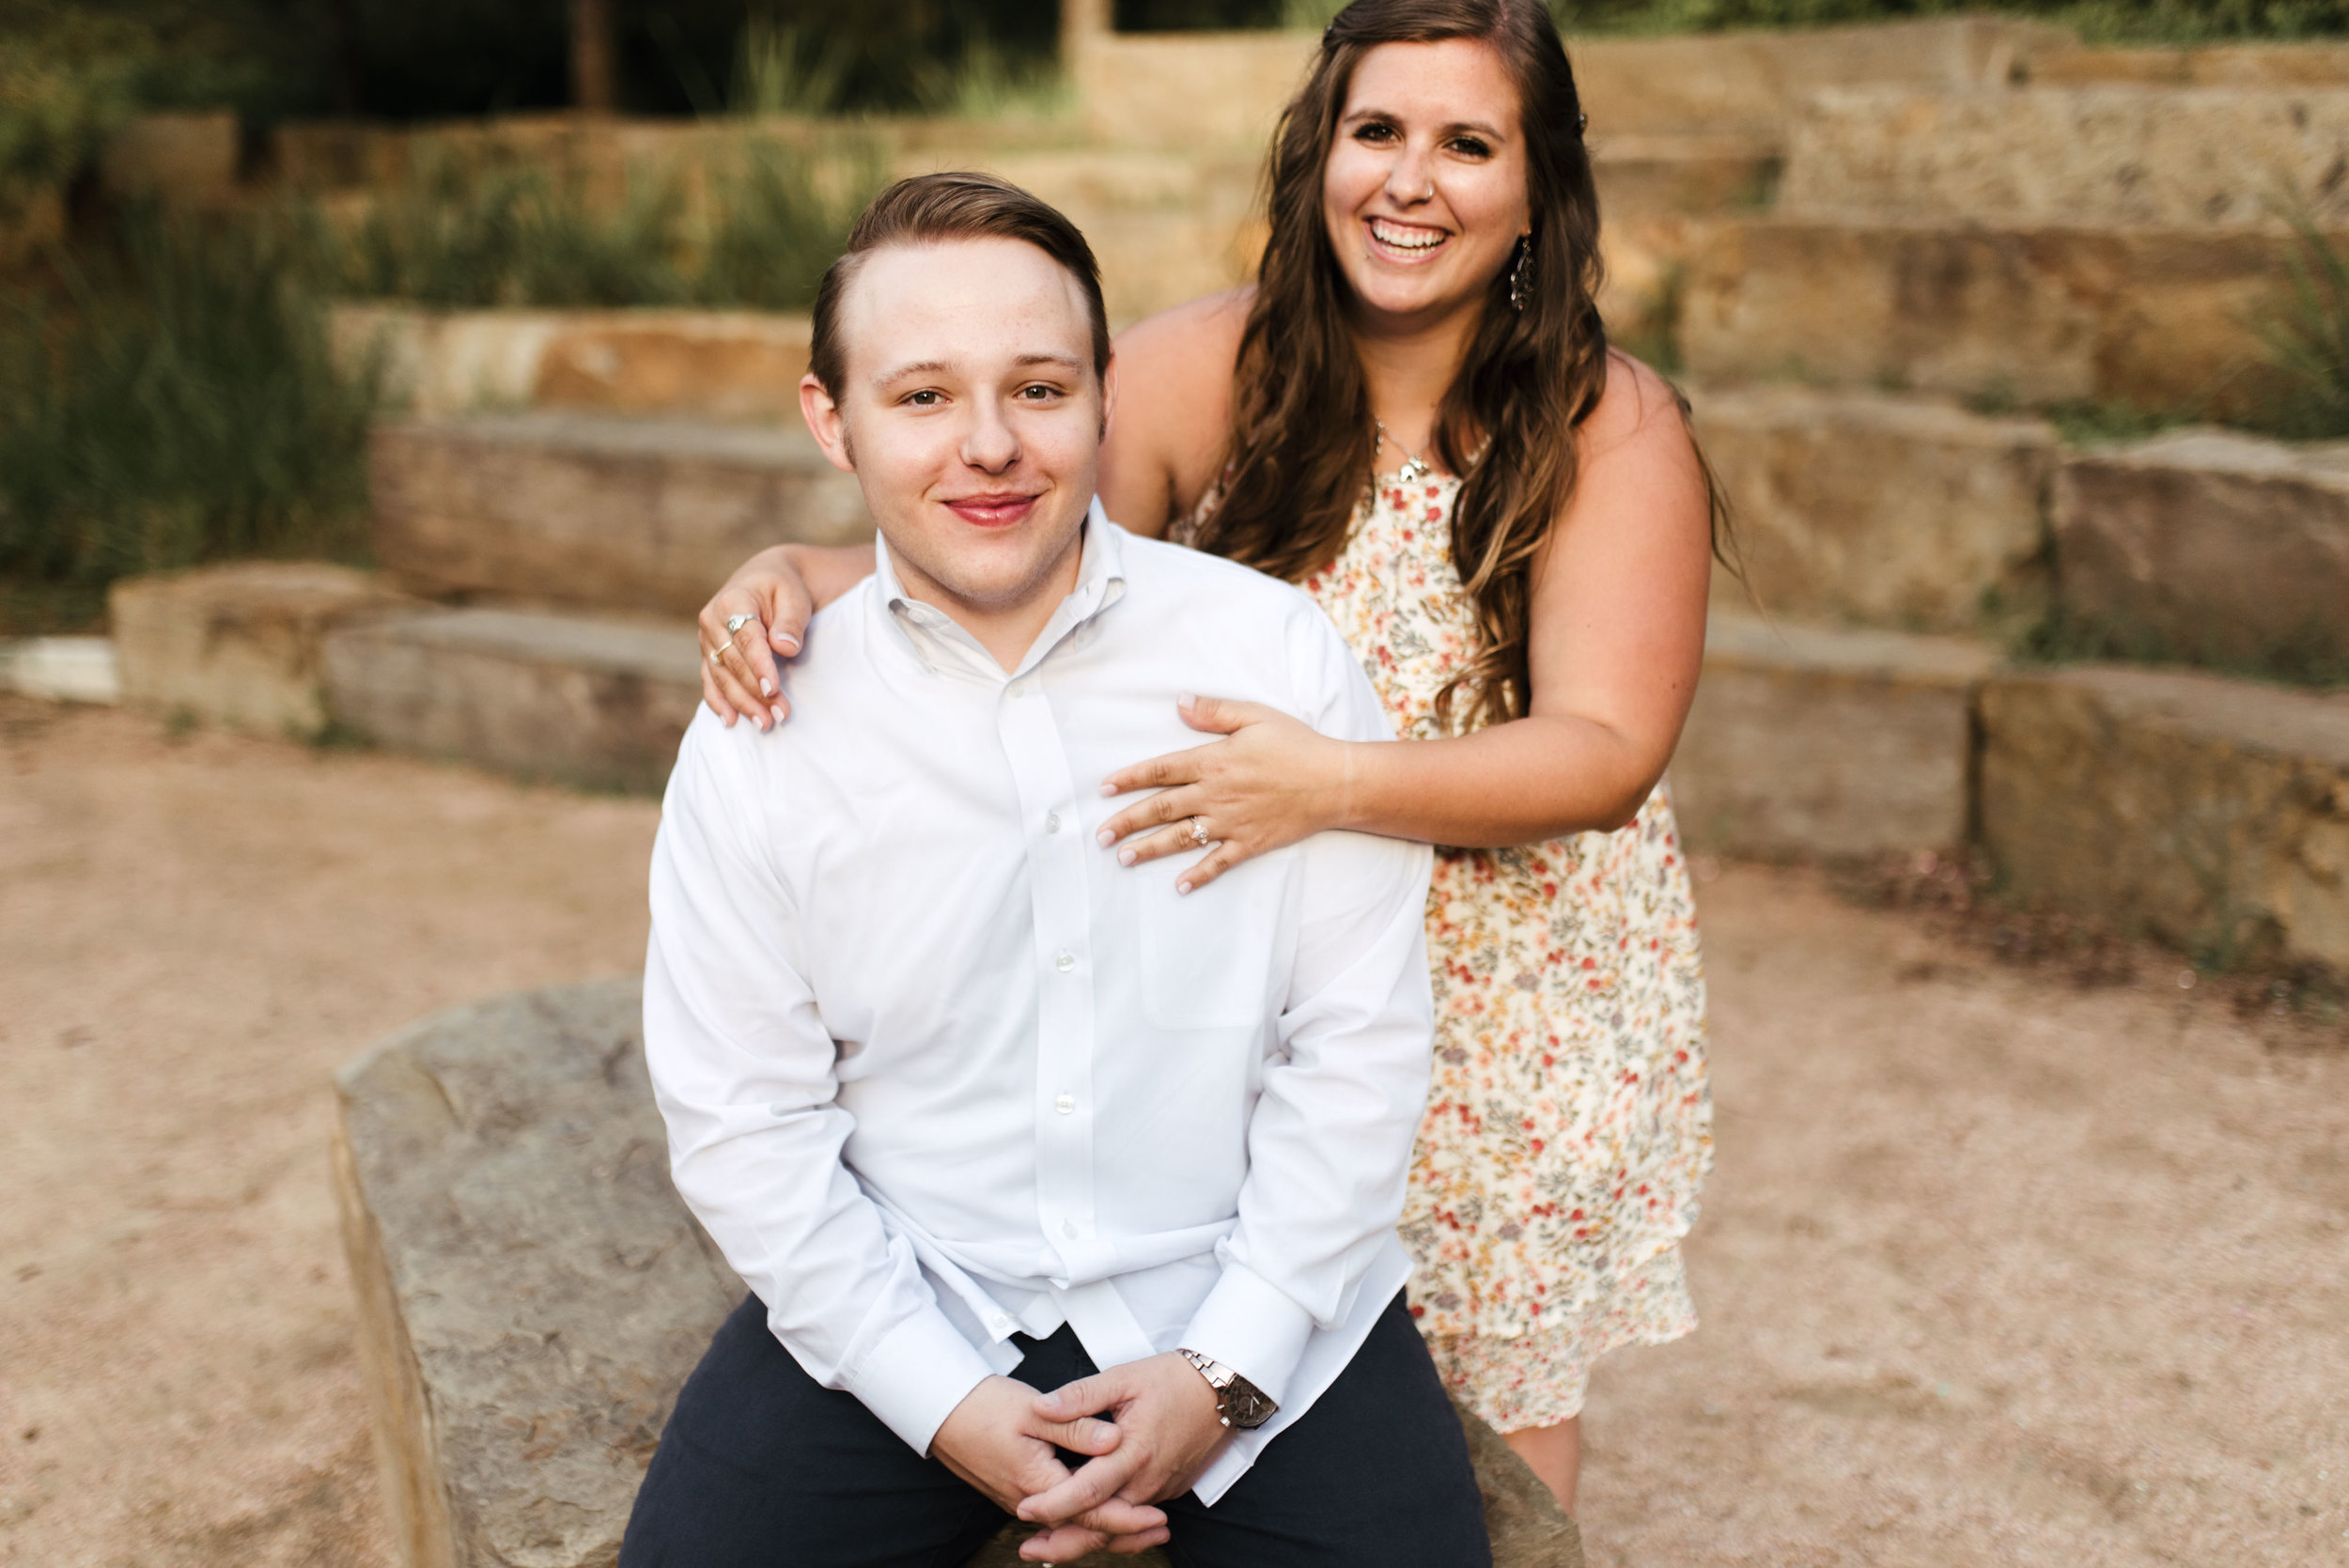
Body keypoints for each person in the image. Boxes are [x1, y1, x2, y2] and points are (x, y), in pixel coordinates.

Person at [692, 0, 1719, 1517]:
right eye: (1378, 131)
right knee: (1208, 1294)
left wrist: (1330, 784)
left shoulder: (1602, 417)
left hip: (1511, 982)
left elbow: (1609, 747)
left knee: (1491, 1391)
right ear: (1321, 152)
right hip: (1222, 951)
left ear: (1537, 187)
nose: (1410, 179)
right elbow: (1015, 520)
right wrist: (797, 567)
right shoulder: (1218, 361)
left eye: (1467, 142)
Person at [625, 171, 1493, 1568]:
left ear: (1103, 393)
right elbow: (747, 1119)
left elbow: (1356, 1047)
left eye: (1038, 387)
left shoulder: (1273, 660)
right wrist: (946, 1404)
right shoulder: (762, 732)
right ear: (828, 418)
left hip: (1256, 1296)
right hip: (919, 1288)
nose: (988, 447)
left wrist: (1227, 1371)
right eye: (920, 398)